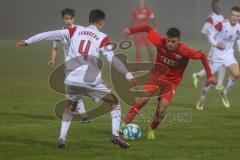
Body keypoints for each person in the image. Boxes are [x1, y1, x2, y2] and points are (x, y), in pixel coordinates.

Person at [16, 9, 137, 149]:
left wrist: (27, 41)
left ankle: (61, 139)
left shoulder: (74, 30)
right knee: (115, 102)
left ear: (89, 20)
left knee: (71, 105)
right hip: (90, 79)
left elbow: (48, 34)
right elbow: (113, 59)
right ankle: (115, 135)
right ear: (101, 22)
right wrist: (128, 75)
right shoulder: (102, 37)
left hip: (71, 79)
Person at [120, 25, 216, 140]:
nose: (169, 44)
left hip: (171, 82)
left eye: (173, 41)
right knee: (142, 100)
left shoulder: (185, 51)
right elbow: (147, 28)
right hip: (156, 77)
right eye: (168, 41)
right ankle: (122, 125)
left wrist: (209, 75)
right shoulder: (159, 41)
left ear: (179, 40)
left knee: (161, 110)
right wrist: (131, 30)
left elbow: (202, 55)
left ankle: (151, 130)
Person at [48, 8, 90, 122]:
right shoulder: (60, 33)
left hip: (80, 64)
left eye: (71, 18)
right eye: (66, 18)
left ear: (73, 19)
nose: (68, 21)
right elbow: (55, 48)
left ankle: (83, 114)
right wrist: (52, 60)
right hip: (69, 65)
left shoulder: (79, 30)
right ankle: (84, 115)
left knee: (76, 90)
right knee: (74, 91)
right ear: (63, 19)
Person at [196, 6, 240, 109]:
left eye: (237, 16)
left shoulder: (239, 27)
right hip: (217, 54)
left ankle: (224, 93)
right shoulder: (222, 24)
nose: (234, 17)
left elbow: (238, 39)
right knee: (209, 79)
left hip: (228, 54)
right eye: (233, 15)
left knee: (237, 74)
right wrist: (216, 44)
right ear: (230, 15)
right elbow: (210, 35)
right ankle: (202, 98)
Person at [193, 0, 226, 91]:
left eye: (219, 5)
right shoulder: (211, 17)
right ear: (212, 7)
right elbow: (203, 31)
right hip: (216, 47)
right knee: (216, 67)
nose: (218, 7)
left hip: (219, 46)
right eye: (216, 6)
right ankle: (198, 75)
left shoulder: (222, 17)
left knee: (216, 67)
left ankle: (212, 86)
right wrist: (211, 38)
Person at [130, 0, 157, 69]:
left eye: (142, 0)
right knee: (138, 50)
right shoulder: (135, 11)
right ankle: (137, 66)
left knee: (149, 49)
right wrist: (131, 31)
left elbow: (152, 18)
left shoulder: (148, 10)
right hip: (138, 33)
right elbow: (132, 22)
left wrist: (154, 27)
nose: (141, 1)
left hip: (146, 32)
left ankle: (153, 64)